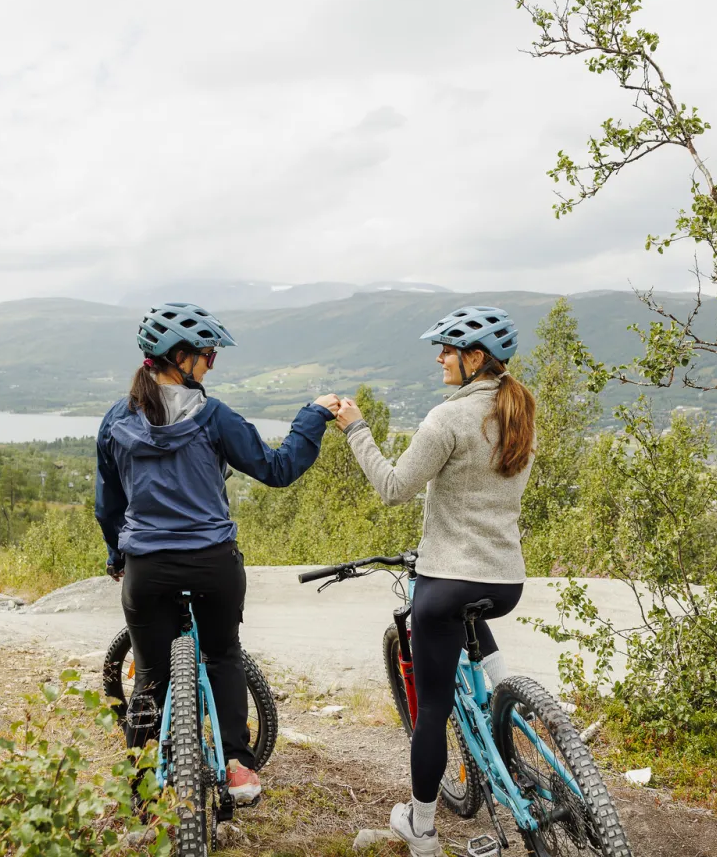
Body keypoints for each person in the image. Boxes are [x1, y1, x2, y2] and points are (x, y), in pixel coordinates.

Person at [96, 302, 340, 803]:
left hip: (148, 568)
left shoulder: (116, 421)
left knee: (150, 675)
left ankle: (142, 785)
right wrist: (312, 416)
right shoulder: (214, 417)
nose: (211, 365)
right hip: (213, 563)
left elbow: (109, 505)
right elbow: (277, 469)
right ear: (180, 358)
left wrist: (117, 556)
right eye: (208, 356)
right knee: (222, 653)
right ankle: (237, 764)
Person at [332, 306, 535, 856]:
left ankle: (420, 827)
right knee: (474, 624)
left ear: (475, 359)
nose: (439, 357)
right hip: (505, 582)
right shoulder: (518, 411)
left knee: (434, 710)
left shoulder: (447, 420)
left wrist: (356, 430)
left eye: (447, 349)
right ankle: (518, 709)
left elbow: (394, 487)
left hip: (447, 582)